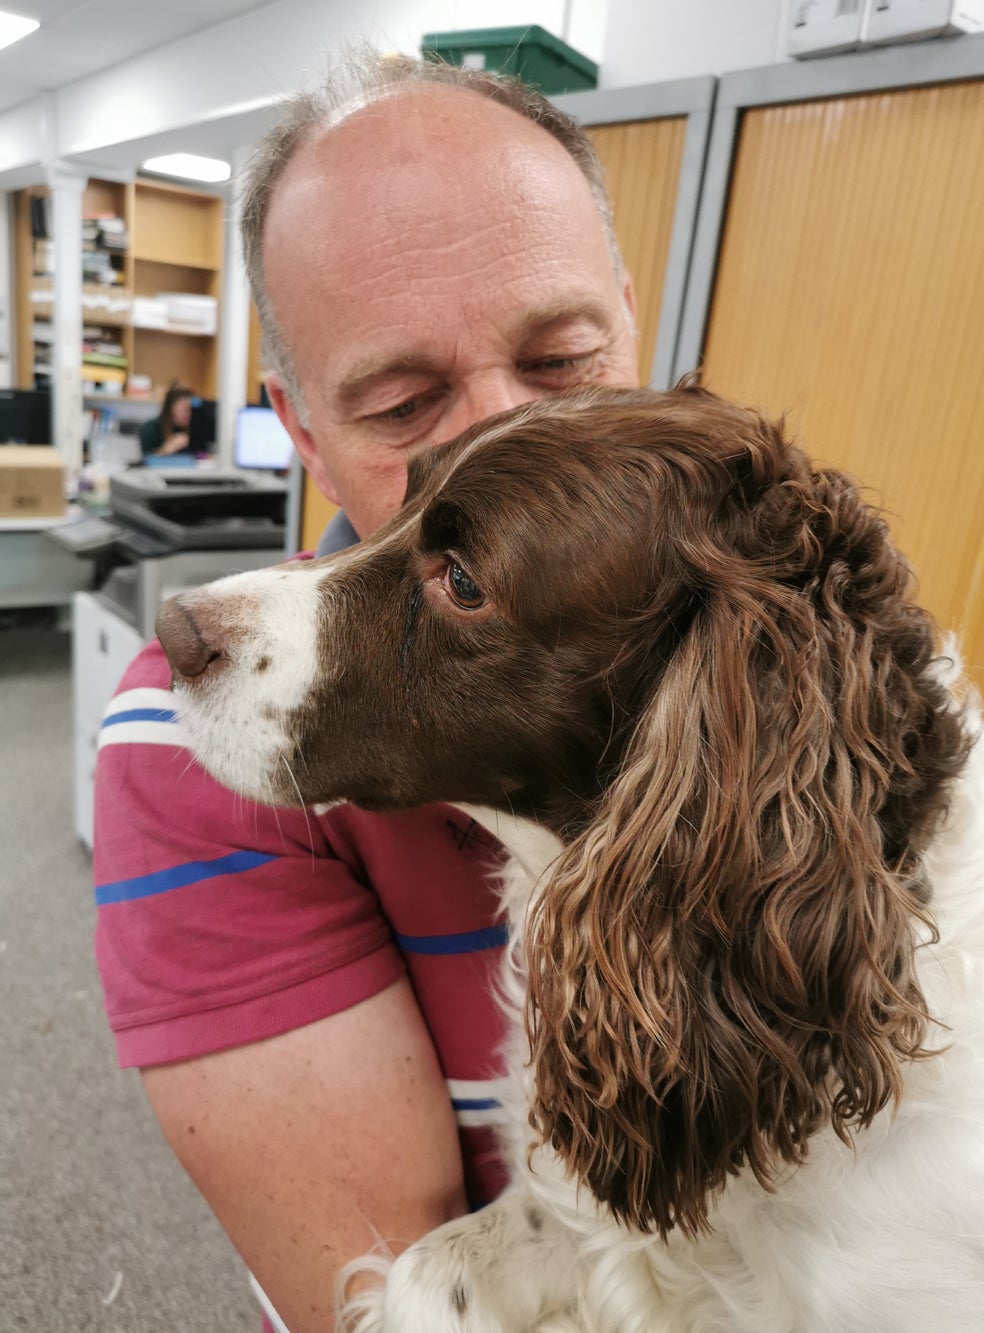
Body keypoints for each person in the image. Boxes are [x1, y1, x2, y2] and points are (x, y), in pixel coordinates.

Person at [93, 50, 640, 1333]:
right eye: (405, 402)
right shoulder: (205, 753)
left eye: (561, 360)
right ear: (303, 430)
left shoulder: (767, 630)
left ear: (631, 318)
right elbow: (395, 1304)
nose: (510, 449)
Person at [138, 381, 194, 458]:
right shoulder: (151, 429)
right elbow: (143, 462)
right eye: (185, 409)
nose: (189, 414)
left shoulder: (193, 429)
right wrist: (166, 449)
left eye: (192, 410)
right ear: (170, 408)